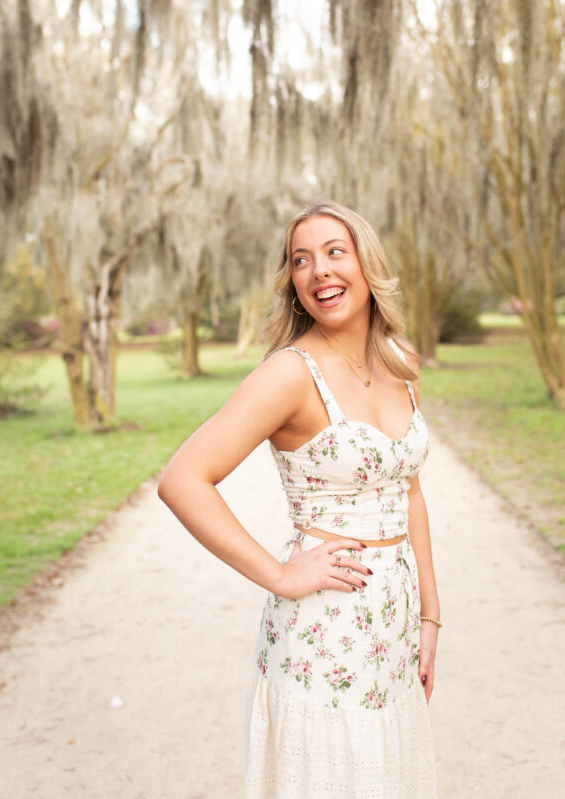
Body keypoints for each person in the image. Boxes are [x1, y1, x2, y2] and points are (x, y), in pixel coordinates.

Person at [158, 200, 440, 798]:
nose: (320, 271)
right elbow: (182, 480)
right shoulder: (290, 374)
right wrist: (281, 575)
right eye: (301, 260)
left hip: (392, 623)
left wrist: (430, 616)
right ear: (293, 284)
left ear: (366, 262)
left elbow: (409, 488)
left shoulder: (401, 361)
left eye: (335, 252)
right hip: (324, 628)